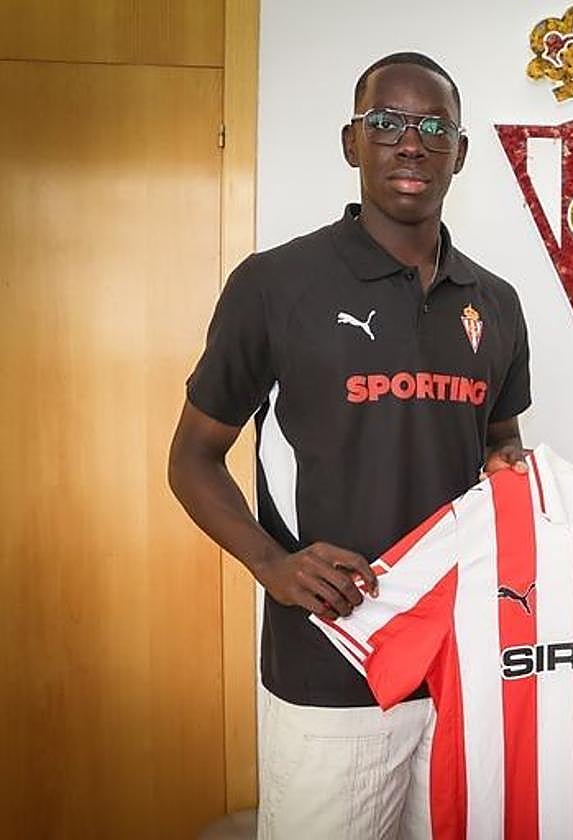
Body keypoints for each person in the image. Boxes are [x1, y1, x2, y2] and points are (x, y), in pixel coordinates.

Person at [168, 52, 530, 839]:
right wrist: (272, 564)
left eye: (433, 126)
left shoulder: (495, 303)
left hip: (461, 665)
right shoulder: (275, 284)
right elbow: (192, 458)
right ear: (351, 142)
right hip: (327, 670)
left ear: (459, 153)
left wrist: (521, 473)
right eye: (387, 123)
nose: (411, 142)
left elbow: (501, 442)